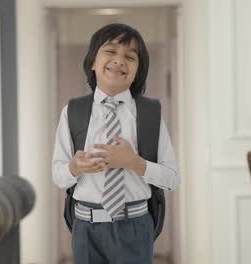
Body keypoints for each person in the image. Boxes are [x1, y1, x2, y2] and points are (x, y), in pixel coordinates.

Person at [52, 23, 180, 264]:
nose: (119, 61)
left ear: (138, 71)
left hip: (135, 227)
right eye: (110, 52)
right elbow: (58, 176)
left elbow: (172, 177)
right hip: (86, 228)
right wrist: (74, 168)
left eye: (130, 57)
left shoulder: (150, 114)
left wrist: (135, 163)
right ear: (92, 62)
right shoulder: (73, 112)